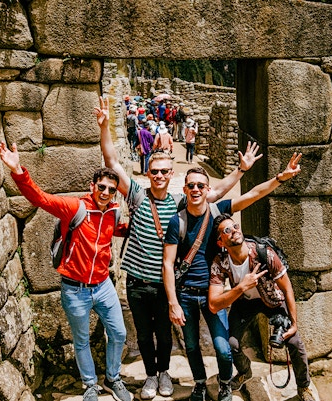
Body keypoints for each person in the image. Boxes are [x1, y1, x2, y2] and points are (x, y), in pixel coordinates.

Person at [95, 96, 262, 400]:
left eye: (163, 171)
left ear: (171, 174)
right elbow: (113, 164)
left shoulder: (180, 202)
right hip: (136, 279)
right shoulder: (136, 195)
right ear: (148, 172)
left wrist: (240, 171)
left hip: (164, 281)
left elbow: (214, 193)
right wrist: (105, 127)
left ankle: (164, 374)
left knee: (163, 336)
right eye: (154, 171)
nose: (158, 175)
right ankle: (149, 376)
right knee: (144, 334)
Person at [162, 153, 302, 401]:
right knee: (192, 346)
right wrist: (173, 302)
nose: (196, 189)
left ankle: (226, 382)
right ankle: (199, 384)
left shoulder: (218, 213)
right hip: (186, 293)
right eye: (191, 185)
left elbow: (253, 195)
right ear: (185, 189)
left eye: (200, 185)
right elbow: (168, 262)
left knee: (224, 348)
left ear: (207, 189)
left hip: (212, 293)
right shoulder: (177, 222)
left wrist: (281, 178)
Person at [0, 142, 131, 401]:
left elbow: (115, 231)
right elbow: (40, 198)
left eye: (111, 190)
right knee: (80, 340)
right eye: (101, 187)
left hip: (104, 286)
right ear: (93, 187)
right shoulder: (75, 208)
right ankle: (90, 385)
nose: (105, 192)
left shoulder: (113, 212)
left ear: (115, 193)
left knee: (119, 333)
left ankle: (113, 378)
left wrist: (140, 227)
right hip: (75, 289)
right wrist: (18, 171)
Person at [208, 214, 316, 401]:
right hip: (244, 302)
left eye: (235, 226)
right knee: (231, 344)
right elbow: (213, 304)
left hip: (273, 299)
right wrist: (242, 286)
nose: (234, 230)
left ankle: (303, 386)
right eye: (227, 230)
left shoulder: (263, 253)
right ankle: (244, 371)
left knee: (294, 342)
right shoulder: (220, 262)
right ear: (221, 242)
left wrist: (294, 323)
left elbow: (287, 287)